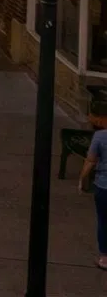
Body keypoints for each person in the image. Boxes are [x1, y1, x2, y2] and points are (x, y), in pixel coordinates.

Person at [78, 106, 107, 270]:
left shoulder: (100, 136)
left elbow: (90, 160)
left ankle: (104, 257)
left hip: (103, 185)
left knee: (103, 220)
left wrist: (82, 179)